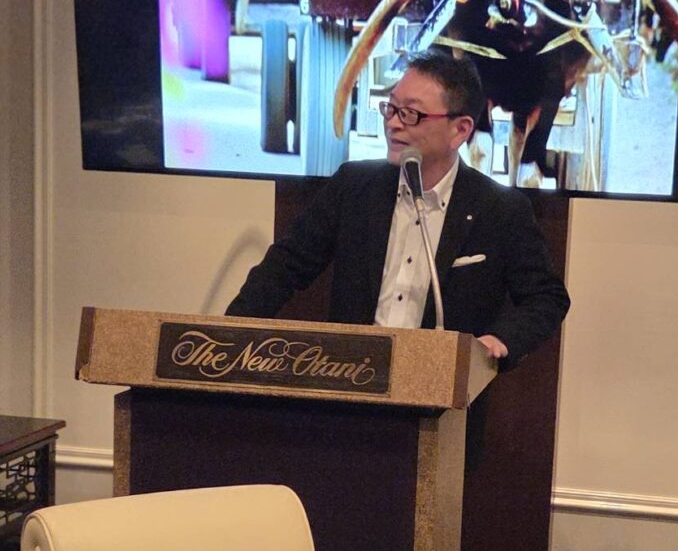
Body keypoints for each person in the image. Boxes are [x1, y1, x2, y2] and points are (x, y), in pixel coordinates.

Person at [226, 52, 570, 371]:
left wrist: (501, 340)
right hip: (349, 379)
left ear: (460, 130)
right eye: (390, 109)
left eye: (411, 114)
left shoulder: (500, 209)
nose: (393, 124)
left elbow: (546, 298)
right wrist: (228, 337)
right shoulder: (354, 186)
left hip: (439, 390)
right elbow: (285, 266)